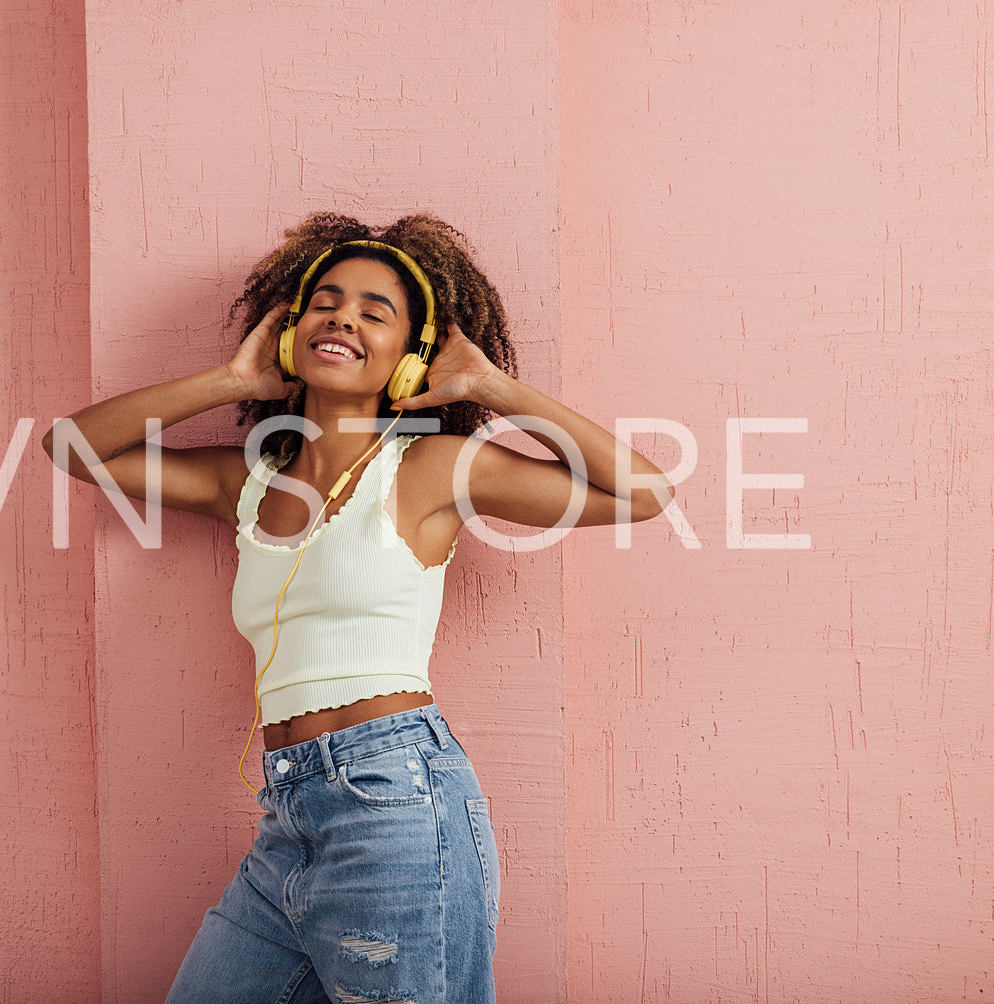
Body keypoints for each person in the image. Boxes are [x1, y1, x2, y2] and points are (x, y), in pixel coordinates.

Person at [42, 212, 674, 1004]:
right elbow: (70, 448)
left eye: (376, 312)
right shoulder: (247, 482)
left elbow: (647, 493)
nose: (342, 316)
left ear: (409, 360)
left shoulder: (434, 467)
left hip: (394, 803)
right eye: (325, 301)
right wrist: (232, 382)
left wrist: (493, 387)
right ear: (288, 331)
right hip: (288, 817)